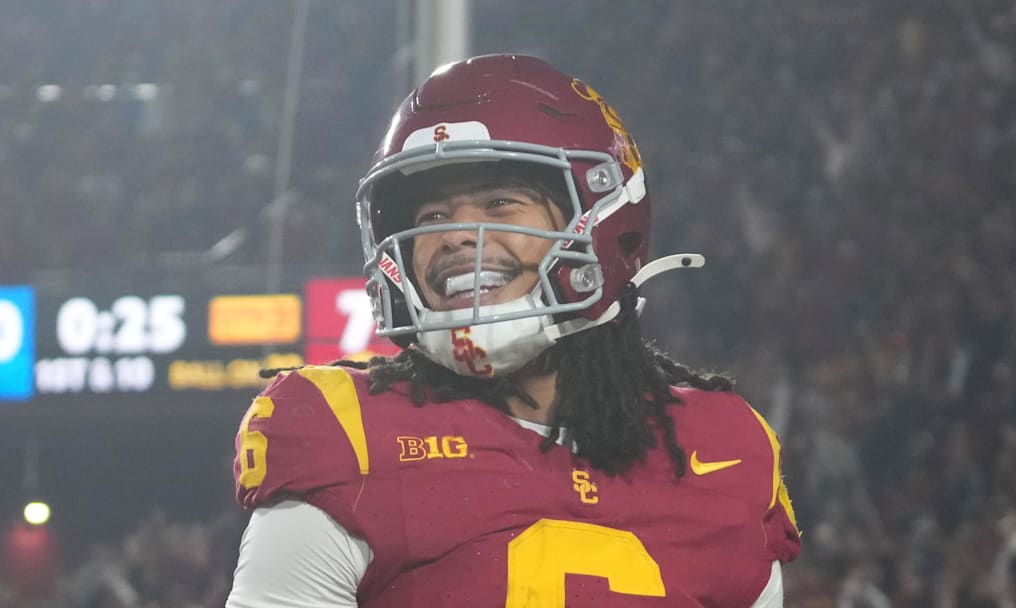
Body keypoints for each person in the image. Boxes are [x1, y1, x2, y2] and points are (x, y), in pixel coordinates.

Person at [226, 54, 800, 607]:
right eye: (431, 217)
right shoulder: (347, 436)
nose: (454, 236)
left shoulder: (723, 448)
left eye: (499, 202)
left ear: (603, 223)